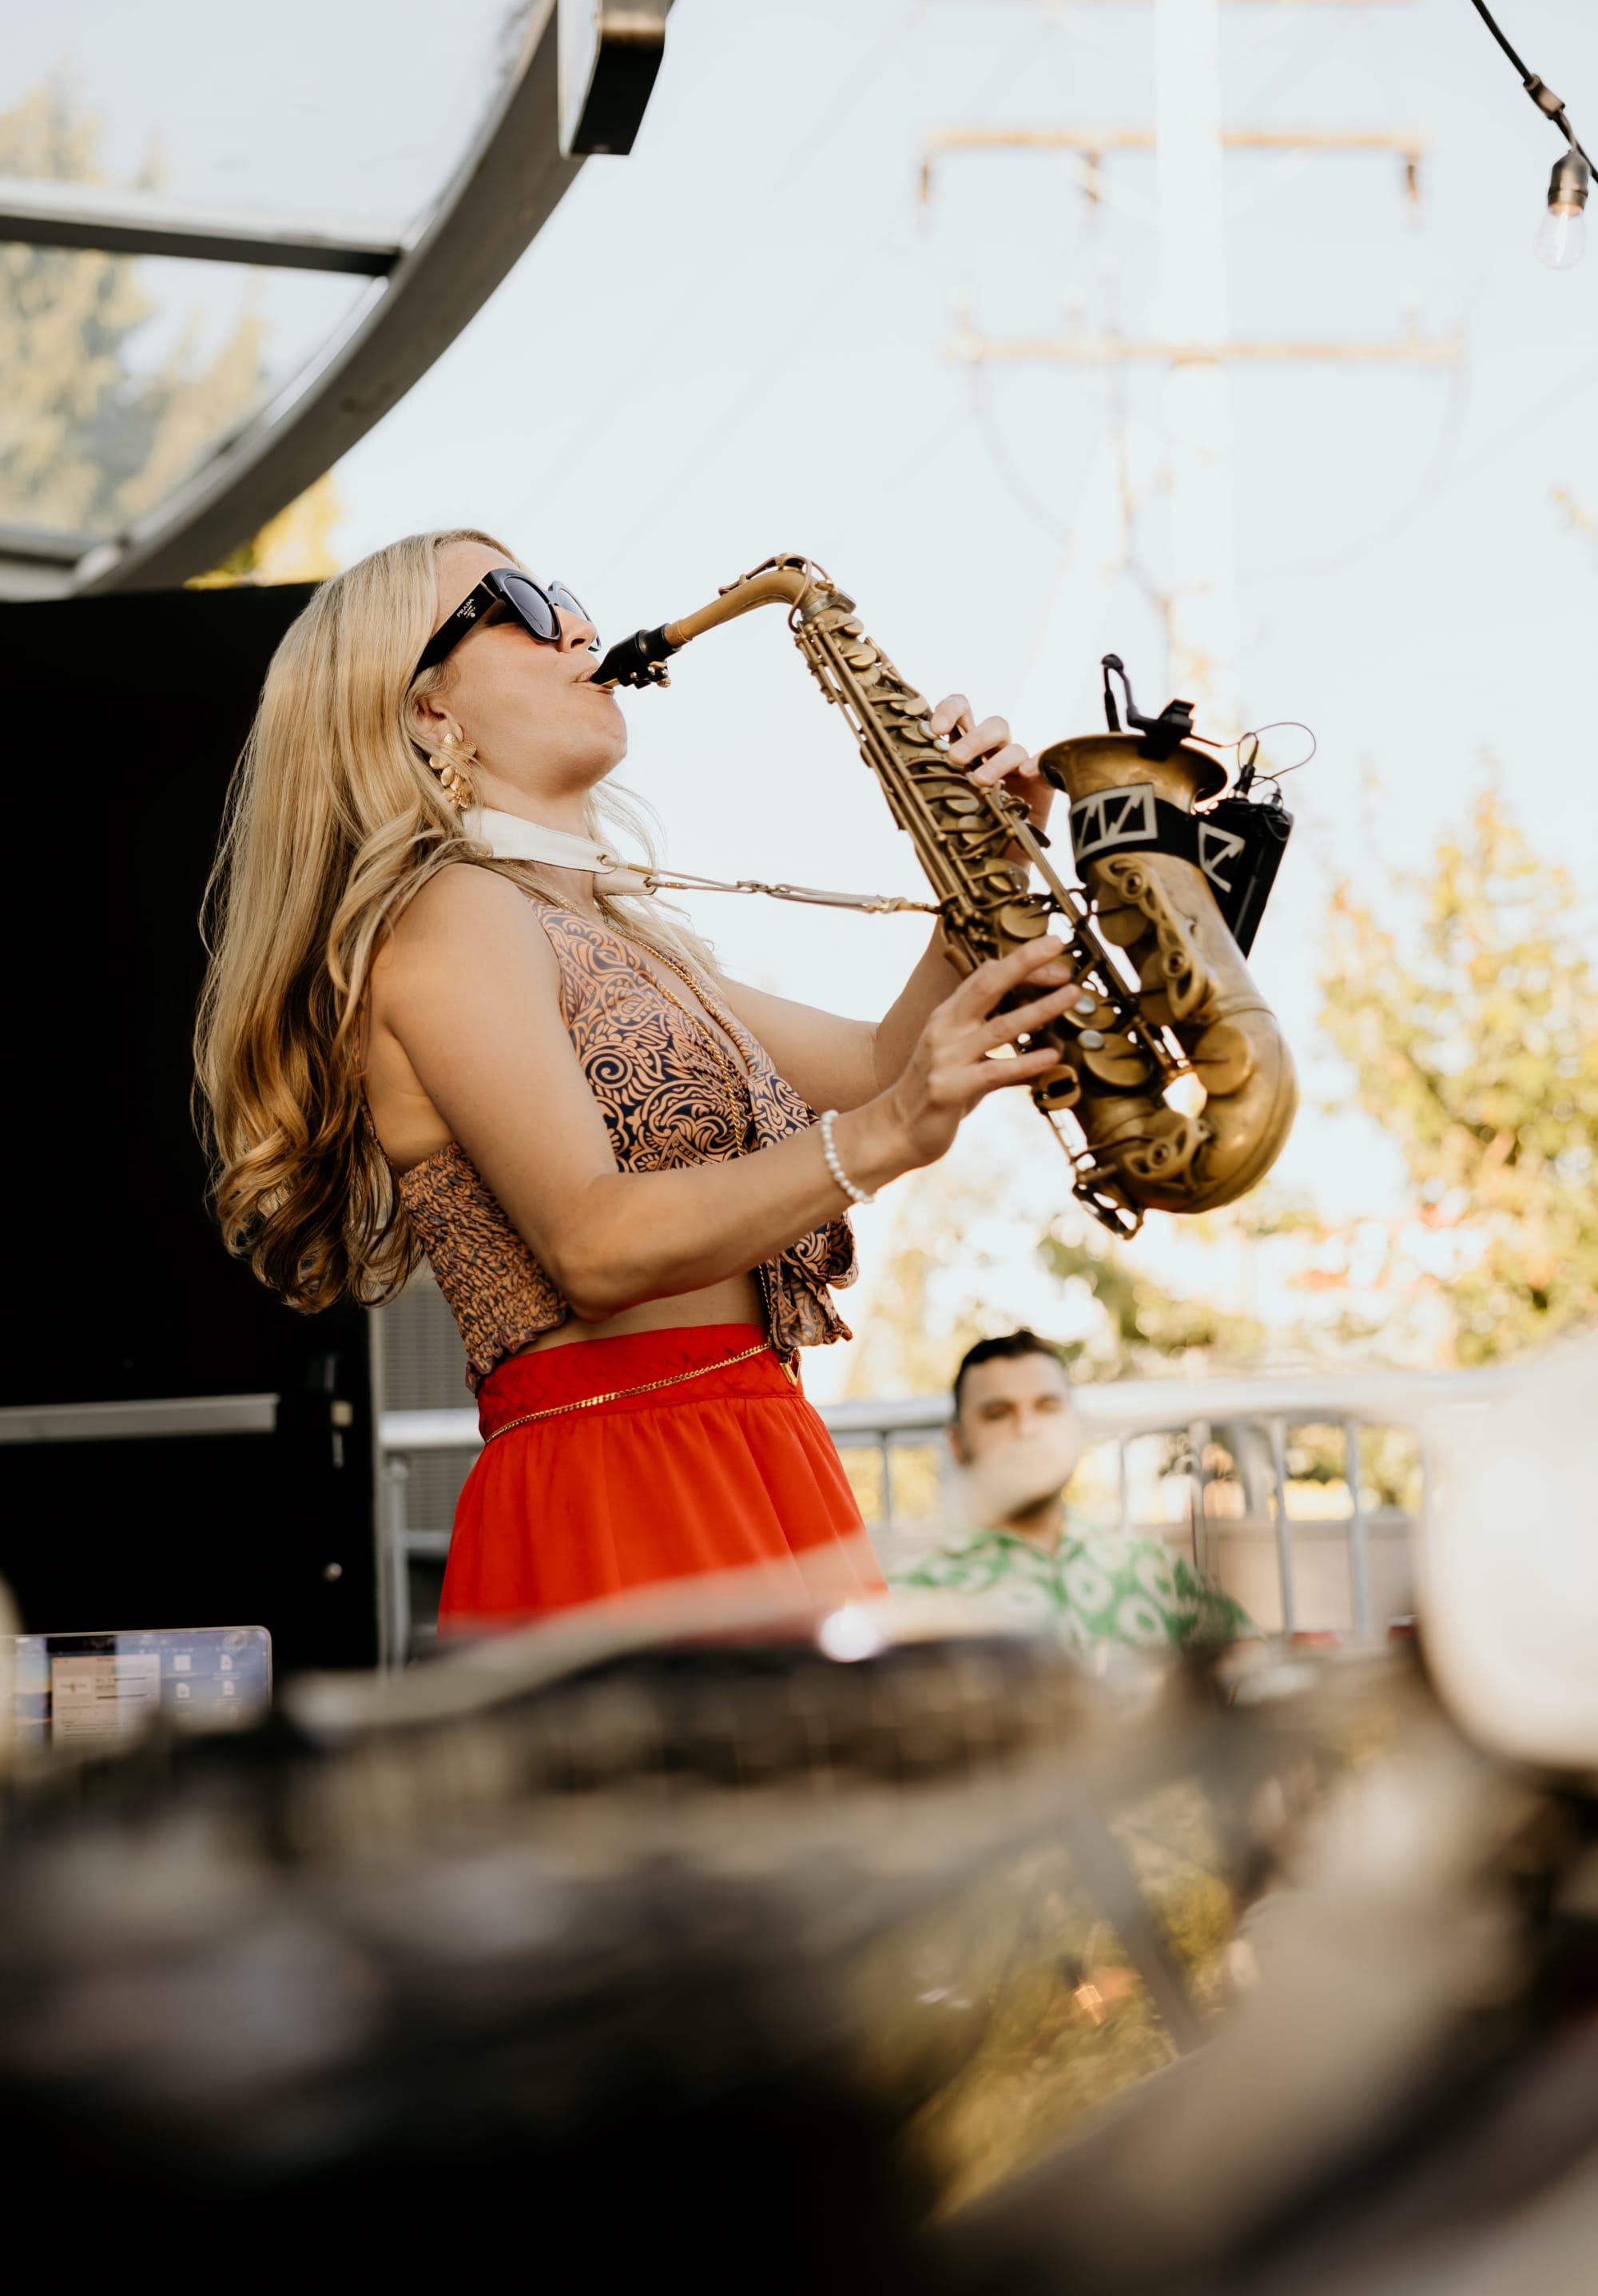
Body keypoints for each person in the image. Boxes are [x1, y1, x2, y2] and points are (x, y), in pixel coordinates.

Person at [196, 532, 1085, 1629]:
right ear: (429, 710)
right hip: (625, 1476)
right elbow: (594, 1244)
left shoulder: (616, 935)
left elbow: (872, 1066)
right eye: (514, 602)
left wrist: (988, 859)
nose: (575, 622)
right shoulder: (448, 912)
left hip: (743, 1441)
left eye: (565, 593)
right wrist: (892, 1132)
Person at [890, 1330, 1256, 1650]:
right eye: (998, 1413)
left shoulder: (1154, 1568)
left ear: (1074, 1426)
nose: (1027, 1429)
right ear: (957, 1442)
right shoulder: (914, 1592)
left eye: (1047, 1407)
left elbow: (1250, 1663)